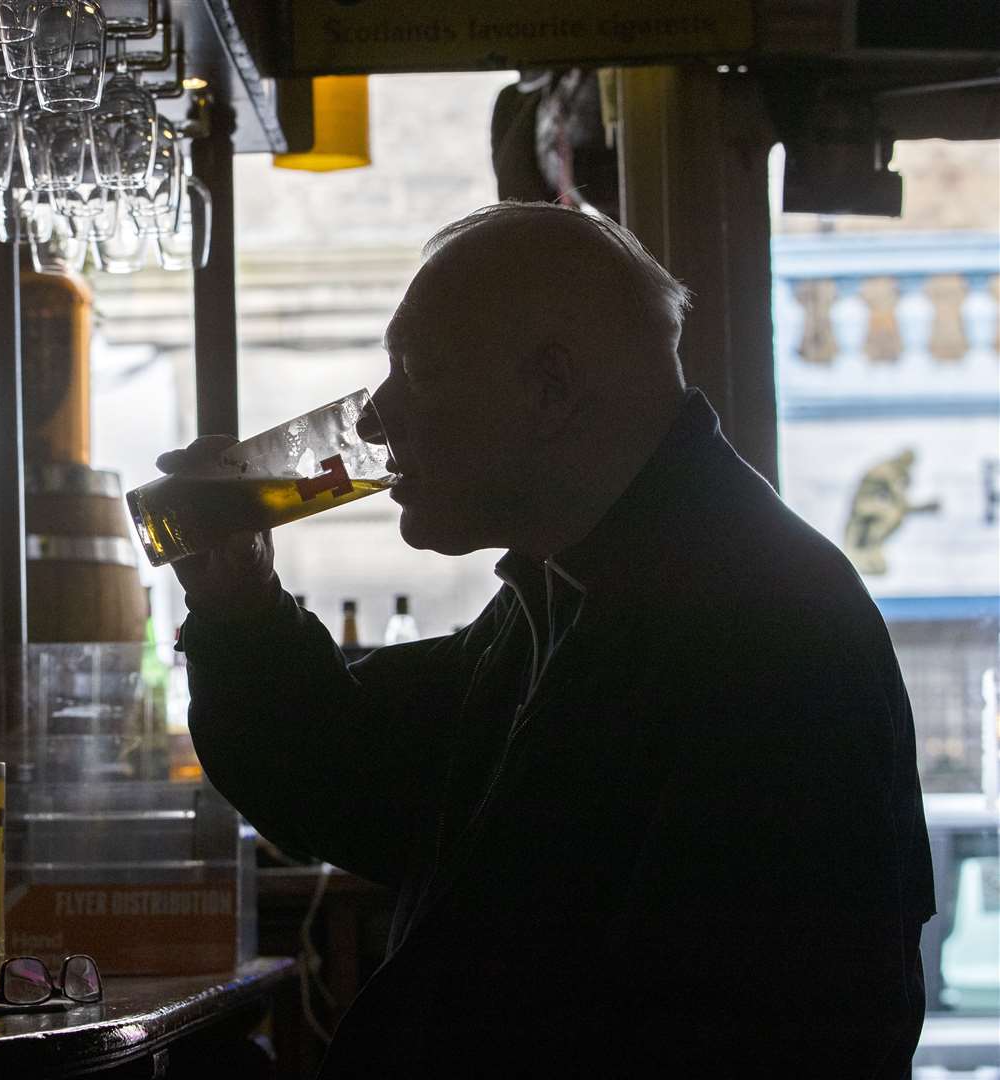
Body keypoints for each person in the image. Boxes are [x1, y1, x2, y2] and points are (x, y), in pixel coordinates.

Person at [159, 203, 934, 1077]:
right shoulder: (576, 585)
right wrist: (241, 602)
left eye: (417, 371)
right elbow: (352, 778)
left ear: (552, 389)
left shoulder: (764, 626)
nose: (374, 419)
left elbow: (770, 1036)